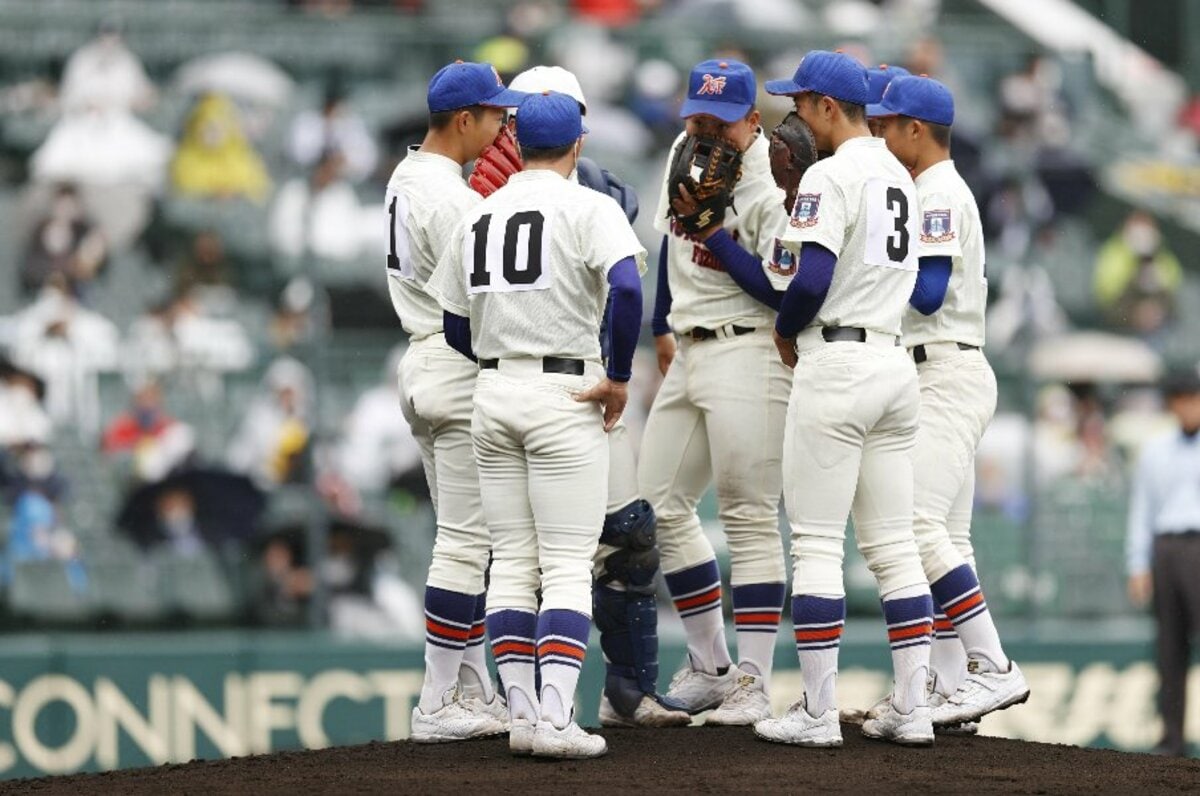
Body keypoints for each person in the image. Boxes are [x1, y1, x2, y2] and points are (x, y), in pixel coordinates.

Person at [427, 90, 645, 759]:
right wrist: (618, 374)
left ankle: (522, 713)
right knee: (568, 565)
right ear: (577, 146)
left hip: (494, 392)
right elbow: (630, 288)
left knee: (513, 565)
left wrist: (500, 361)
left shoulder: (481, 213)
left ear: (515, 146)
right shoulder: (589, 205)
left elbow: (453, 324)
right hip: (565, 391)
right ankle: (555, 717)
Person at [482, 63, 688, 729]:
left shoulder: (515, 198)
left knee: (617, 540)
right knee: (549, 559)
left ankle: (620, 690)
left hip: (532, 384)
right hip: (569, 389)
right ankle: (540, 708)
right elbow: (628, 287)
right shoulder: (522, 192)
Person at [754, 50, 932, 748]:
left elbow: (811, 276)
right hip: (894, 362)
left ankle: (818, 712)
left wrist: (784, 326)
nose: (793, 116)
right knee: (894, 546)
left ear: (829, 107)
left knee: (820, 543)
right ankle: (915, 707)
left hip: (839, 362)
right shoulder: (900, 173)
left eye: (801, 104)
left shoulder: (831, 174)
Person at [868, 74, 1029, 731]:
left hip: (945, 370)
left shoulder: (936, 190)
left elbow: (928, 292)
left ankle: (993, 666)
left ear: (916, 129)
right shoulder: (928, 188)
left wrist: (862, 279)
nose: (877, 133)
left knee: (914, 527)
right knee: (946, 534)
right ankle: (948, 689)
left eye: (886, 123)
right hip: (941, 368)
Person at [639, 58, 794, 725]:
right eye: (697, 116)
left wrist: (716, 238)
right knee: (656, 509)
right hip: (689, 348)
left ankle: (754, 681)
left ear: (752, 120)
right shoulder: (685, 151)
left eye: (720, 120)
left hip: (751, 344)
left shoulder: (777, 175)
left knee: (749, 515)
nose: (705, 129)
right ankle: (710, 665)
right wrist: (659, 328)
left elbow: (782, 289)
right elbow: (669, 250)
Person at [384, 60, 525, 743]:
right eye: (495, 114)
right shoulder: (452, 199)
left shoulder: (410, 174)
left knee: (463, 540)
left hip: (420, 360)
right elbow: (484, 304)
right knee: (467, 545)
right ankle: (438, 697)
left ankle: (469, 687)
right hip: (452, 360)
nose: (503, 127)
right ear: (464, 118)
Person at [1126, 368, 1200, 758]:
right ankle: (1172, 740)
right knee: (1169, 650)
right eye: (1181, 399)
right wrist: (1138, 562)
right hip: (1167, 549)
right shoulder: (1155, 450)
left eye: (1193, 397)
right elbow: (1142, 509)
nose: (1187, 407)